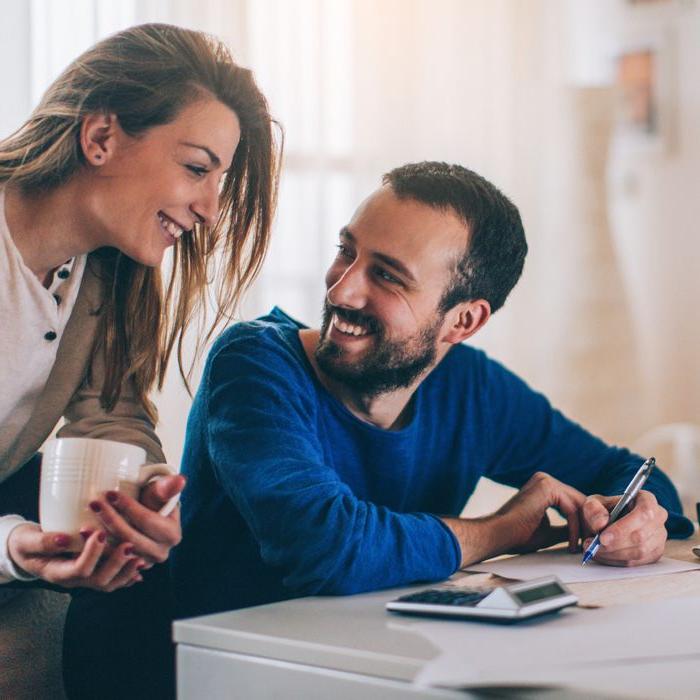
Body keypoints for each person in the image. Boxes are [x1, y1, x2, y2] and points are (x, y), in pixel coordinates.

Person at [172, 161, 692, 619]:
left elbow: (632, 477)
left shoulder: (471, 388)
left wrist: (639, 519)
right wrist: (501, 530)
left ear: (463, 320)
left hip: (377, 664)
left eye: (387, 276)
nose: (341, 289)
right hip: (209, 671)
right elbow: (324, 547)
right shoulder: (254, 363)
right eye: (346, 251)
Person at [0, 23, 279, 699]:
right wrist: (13, 544)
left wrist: (138, 494)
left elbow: (113, 413)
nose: (211, 209)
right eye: (196, 168)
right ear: (100, 138)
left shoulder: (106, 273)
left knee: (150, 556)